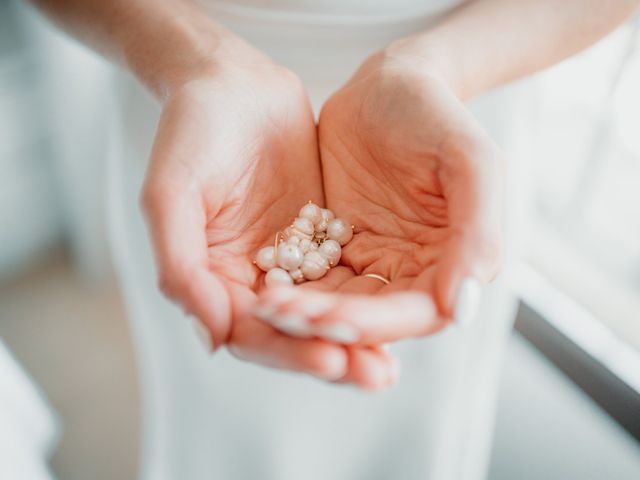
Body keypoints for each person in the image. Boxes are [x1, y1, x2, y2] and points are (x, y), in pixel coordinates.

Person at [30, 0, 639, 479]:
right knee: (222, 429)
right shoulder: (211, 122)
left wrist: (437, 67)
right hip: (204, 126)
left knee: (420, 425)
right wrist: (197, 60)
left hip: (440, 123)